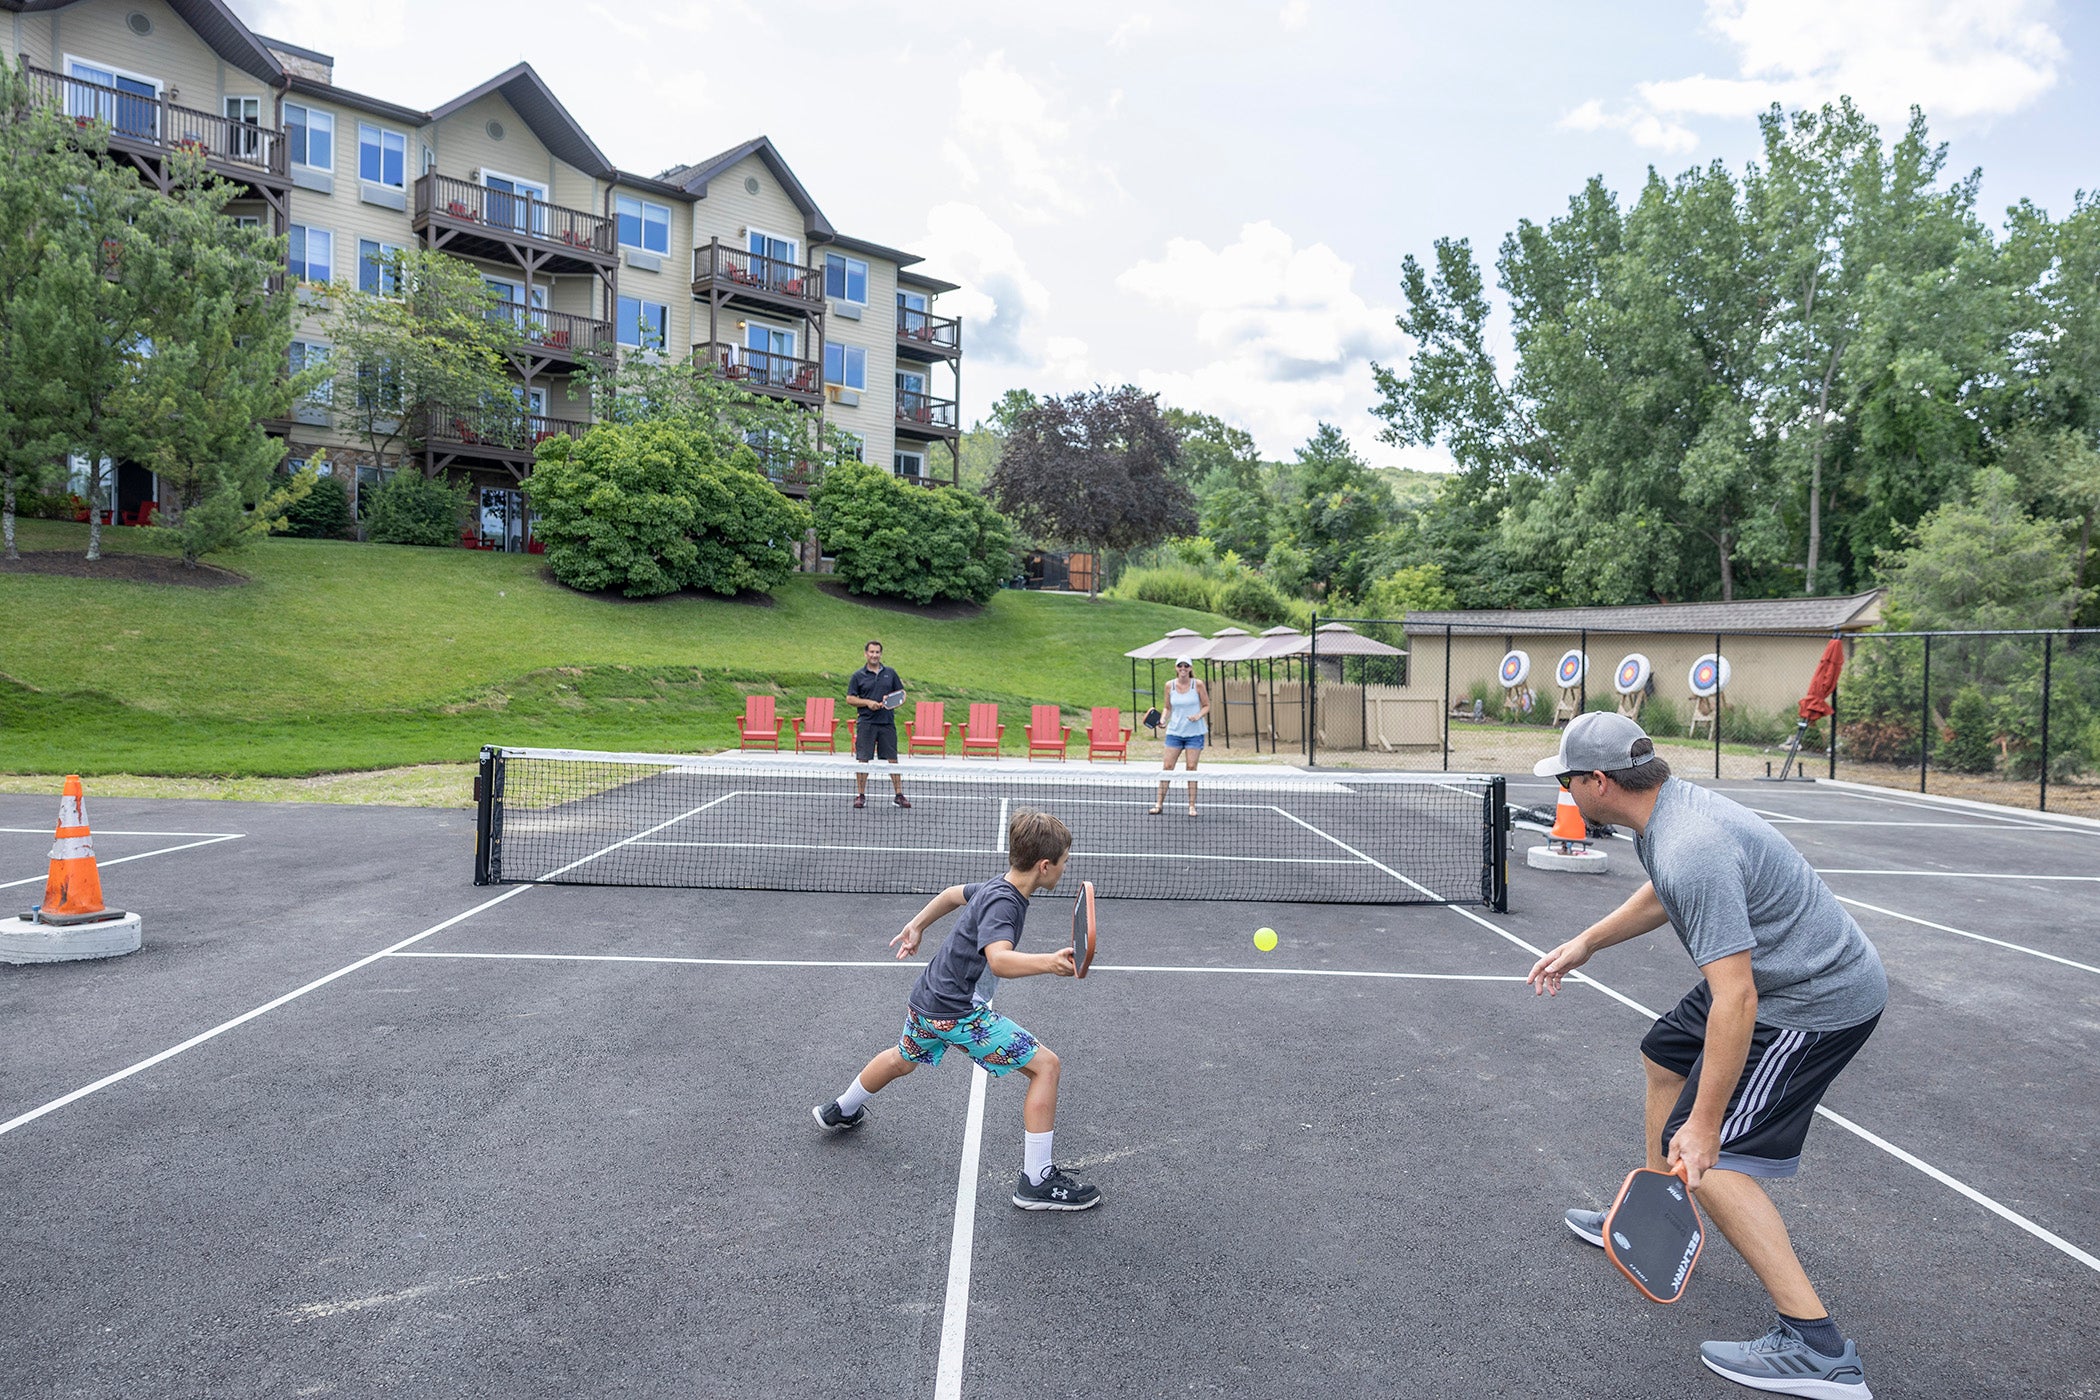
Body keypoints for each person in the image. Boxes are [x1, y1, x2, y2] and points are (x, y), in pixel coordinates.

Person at [1525, 711, 1885, 1400]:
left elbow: (1737, 1000)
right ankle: (1655, 1212)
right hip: (1777, 977)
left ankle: (1819, 1349)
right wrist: (1587, 943)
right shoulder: (1667, 816)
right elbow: (1664, 892)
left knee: (1711, 1160)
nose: (1565, 791)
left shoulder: (1691, 842)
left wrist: (1706, 1125)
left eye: (1569, 780)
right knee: (1664, 1052)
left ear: (1600, 781)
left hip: (1811, 1000)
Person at [812, 808, 1101, 1211]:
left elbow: (951, 893)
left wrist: (917, 924)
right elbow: (1000, 960)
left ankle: (840, 1109)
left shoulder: (996, 887)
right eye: (1064, 863)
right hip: (957, 1012)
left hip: (928, 997)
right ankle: (1036, 1180)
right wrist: (1050, 963)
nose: (1065, 870)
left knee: (901, 1059)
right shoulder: (1007, 905)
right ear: (1044, 865)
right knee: (1046, 1067)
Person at [843, 639, 909, 809]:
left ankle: (898, 795)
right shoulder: (858, 676)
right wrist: (867, 703)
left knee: (893, 759)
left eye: (877, 652)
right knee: (863, 759)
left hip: (886, 722)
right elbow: (850, 698)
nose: (874, 655)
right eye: (871, 652)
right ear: (866, 654)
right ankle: (861, 795)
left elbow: (901, 695)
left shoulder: (891, 673)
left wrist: (891, 700)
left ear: (881, 654)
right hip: (866, 723)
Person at [1148, 656, 1209, 817]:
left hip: (1194, 734)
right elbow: (1167, 707)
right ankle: (1158, 804)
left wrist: (1198, 715)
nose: (1183, 668)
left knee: (1191, 768)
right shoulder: (1169, 686)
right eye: (1180, 665)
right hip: (1174, 732)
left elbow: (1207, 705)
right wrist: (1163, 719)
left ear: (1190, 668)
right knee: (1167, 768)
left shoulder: (1198, 684)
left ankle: (1191, 806)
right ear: (1176, 668)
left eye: (1186, 666)